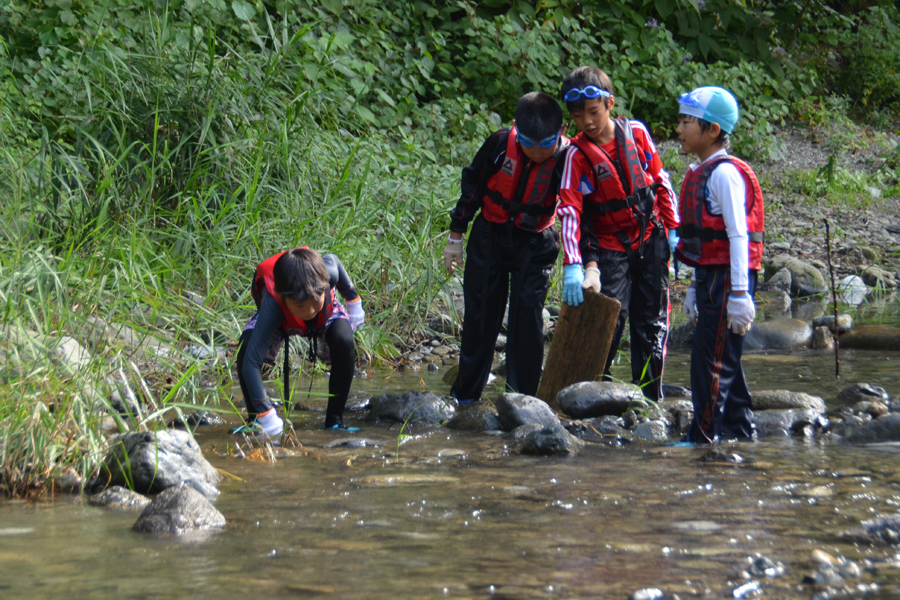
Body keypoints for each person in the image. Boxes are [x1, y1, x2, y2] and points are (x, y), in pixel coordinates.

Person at [557, 66, 678, 401]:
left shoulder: (636, 133)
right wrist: (574, 264)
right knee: (611, 318)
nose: (588, 123)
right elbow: (569, 211)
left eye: (594, 113)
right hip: (610, 246)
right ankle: (591, 395)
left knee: (651, 321)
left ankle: (650, 397)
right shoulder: (576, 155)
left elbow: (660, 180)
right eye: (579, 116)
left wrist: (674, 231)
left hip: (651, 237)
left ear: (610, 104)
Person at [442, 91, 569, 403]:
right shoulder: (500, 144)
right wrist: (455, 235)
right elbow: (473, 185)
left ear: (561, 133)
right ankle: (466, 395)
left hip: (536, 242)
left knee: (528, 319)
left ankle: (523, 401)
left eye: (545, 144)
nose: (537, 152)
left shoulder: (568, 157)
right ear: (516, 129)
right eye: (529, 143)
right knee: (480, 317)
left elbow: (578, 206)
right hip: (490, 236)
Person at [673, 86, 764, 443]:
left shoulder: (724, 174)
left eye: (686, 121)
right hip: (712, 276)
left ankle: (703, 438)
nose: (679, 128)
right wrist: (695, 286)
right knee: (724, 360)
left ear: (712, 130)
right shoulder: (704, 171)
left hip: (729, 280)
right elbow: (703, 242)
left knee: (709, 365)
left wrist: (741, 294)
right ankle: (741, 432)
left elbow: (738, 236)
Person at [233, 247, 365, 435]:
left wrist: (353, 301)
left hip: (326, 314)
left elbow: (333, 259)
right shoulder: (273, 303)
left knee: (343, 339)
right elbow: (250, 364)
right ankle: (255, 421)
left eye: (315, 300)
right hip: (281, 318)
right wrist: (266, 413)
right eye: (301, 305)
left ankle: (335, 421)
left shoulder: (329, 275)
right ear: (282, 296)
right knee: (246, 347)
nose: (310, 311)